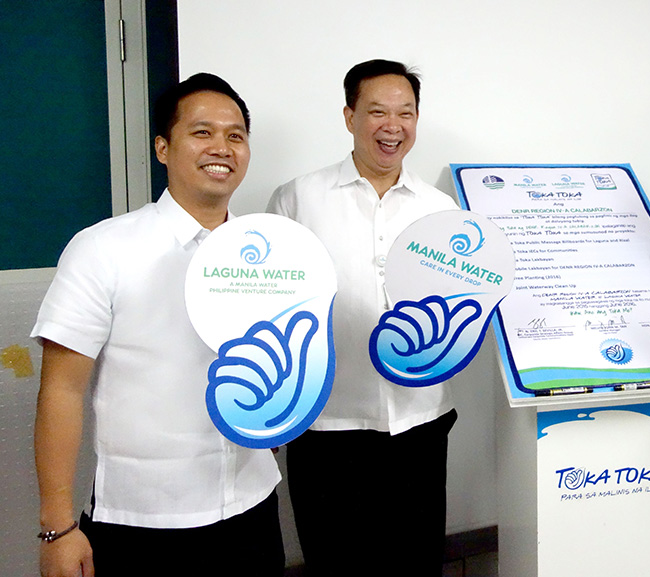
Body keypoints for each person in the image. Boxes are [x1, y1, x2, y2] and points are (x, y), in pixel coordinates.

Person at [32, 73, 284, 577]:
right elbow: (61, 389)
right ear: (163, 147)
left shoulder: (273, 254)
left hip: (251, 506)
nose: (223, 147)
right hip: (142, 523)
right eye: (202, 132)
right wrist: (57, 527)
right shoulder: (102, 248)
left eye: (236, 135)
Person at [267, 59, 459, 576]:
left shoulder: (440, 210)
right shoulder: (297, 198)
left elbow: (457, 306)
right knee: (335, 562)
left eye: (405, 113)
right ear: (349, 115)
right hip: (326, 425)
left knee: (415, 562)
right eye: (377, 111)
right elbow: (274, 308)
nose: (392, 125)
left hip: (419, 420)